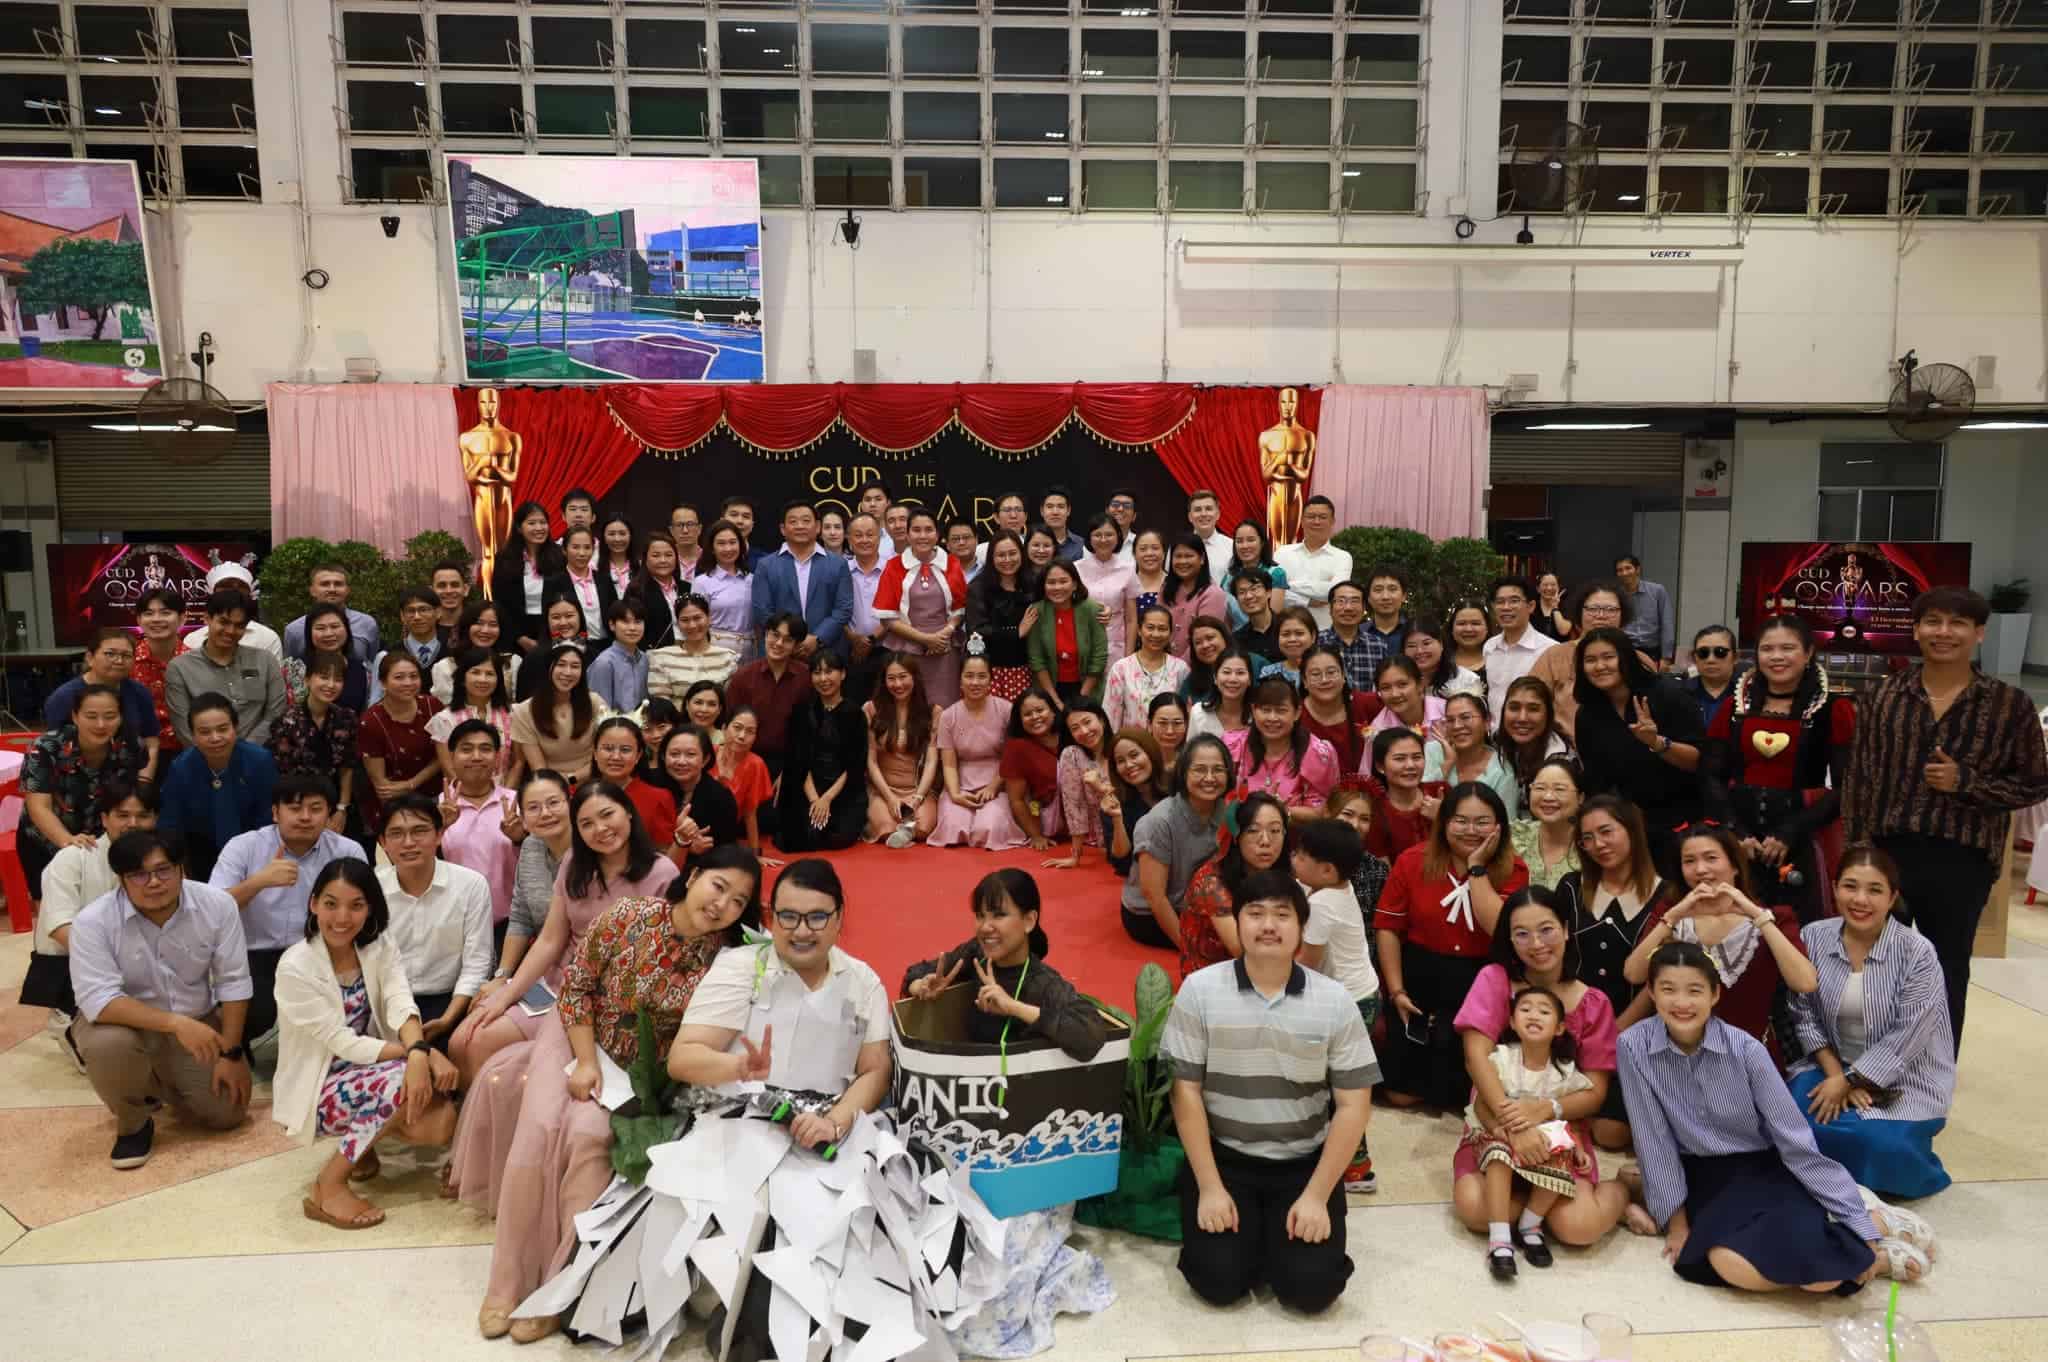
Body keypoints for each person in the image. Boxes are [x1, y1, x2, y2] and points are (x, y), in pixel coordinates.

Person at [480, 842, 759, 1343]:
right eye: (719, 886)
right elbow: (576, 988)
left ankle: (558, 1290)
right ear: (694, 875)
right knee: (540, 1127)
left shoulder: (726, 961)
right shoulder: (628, 916)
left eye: (738, 901)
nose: (722, 904)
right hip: (576, 1035)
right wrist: (586, 1061)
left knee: (588, 1139)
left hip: (635, 1073)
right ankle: (506, 1285)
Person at [659, 858, 891, 1359]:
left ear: (839, 917)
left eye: (817, 917)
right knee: (764, 1208)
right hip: (744, 1117)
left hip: (829, 1124)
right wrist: (738, 1067)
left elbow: (875, 1070)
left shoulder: (862, 980)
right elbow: (683, 1058)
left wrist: (835, 1122)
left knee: (854, 1212)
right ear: (770, 916)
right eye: (788, 916)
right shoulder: (742, 968)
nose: (801, 931)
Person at [1619, 941, 1910, 1294]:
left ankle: (1873, 1226)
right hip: (1698, 1176)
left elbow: (1794, 1138)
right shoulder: (1633, 1046)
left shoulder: (1746, 1050)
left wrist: (1857, 1223)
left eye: (1694, 990)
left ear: (1714, 995)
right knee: (1721, 1264)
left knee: (1822, 1280)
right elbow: (1653, 1140)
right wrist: (1677, 1225)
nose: (1681, 1002)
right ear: (1651, 992)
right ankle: (1857, 1255)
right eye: (1668, 989)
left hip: (1760, 1169)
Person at [1844, 587, 2048, 1053]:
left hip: (1963, 856)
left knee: (1947, 968)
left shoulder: (2008, 704)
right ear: (1916, 630)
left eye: (1958, 623)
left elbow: (2036, 783)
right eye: (1933, 621)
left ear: (1979, 633)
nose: (1944, 632)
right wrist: (1857, 852)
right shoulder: (1882, 696)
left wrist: (1967, 782)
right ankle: (1873, 1064)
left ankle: (1935, 1070)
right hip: (1886, 854)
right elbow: (1858, 777)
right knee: (1876, 965)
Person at [1163, 868, 1375, 1314]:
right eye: (1255, 913)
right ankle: (1256, 1240)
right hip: (1226, 1160)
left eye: (1282, 914)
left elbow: (1353, 1105)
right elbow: (1185, 1094)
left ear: (1301, 927)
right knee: (1218, 1282)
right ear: (1237, 921)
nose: (1268, 925)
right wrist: (1210, 1187)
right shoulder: (1200, 991)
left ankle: (1271, 1241)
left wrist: (1317, 1196)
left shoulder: (1334, 1000)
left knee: (1311, 1291)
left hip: (1303, 1164)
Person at [275, 858, 460, 1228]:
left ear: (371, 908)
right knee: (402, 1084)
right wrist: (421, 1054)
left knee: (438, 1124)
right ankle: (328, 1186)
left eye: (356, 905)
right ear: (313, 904)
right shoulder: (295, 966)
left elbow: (399, 999)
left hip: (373, 1070)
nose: (342, 917)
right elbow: (343, 1042)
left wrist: (417, 1052)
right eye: (331, 904)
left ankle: (363, 1148)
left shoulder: (378, 945)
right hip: (320, 1085)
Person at [1452, 886, 1630, 1262]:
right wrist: (1514, 1123)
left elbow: (1594, 1093)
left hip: (1559, 1131)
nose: (1536, 944)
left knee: (1579, 1228)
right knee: (1478, 1211)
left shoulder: (1593, 1003)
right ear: (1509, 939)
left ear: (1565, 929)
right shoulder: (1495, 980)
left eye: (1546, 929)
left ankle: (1625, 1190)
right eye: (1522, 934)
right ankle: (1530, 1211)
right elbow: (1475, 1058)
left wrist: (1544, 1109)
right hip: (1495, 1121)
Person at [67, 829, 253, 1168]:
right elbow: (99, 999)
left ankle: (157, 1083)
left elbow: (234, 981)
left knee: (228, 1113)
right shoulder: (92, 922)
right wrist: (175, 1023)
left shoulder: (217, 905)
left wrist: (231, 1052)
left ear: (182, 869)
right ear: (121, 879)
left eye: (163, 870)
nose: (153, 882)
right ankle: (134, 1122)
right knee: (108, 1044)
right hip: (123, 1025)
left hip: (196, 1020)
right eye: (139, 874)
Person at [1786, 847, 1956, 1200]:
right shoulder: (1813, 936)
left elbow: (1906, 1039)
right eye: (1850, 886)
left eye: (1875, 890)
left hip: (1904, 1079)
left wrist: (1853, 1080)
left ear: (1892, 897)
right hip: (1828, 1068)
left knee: (1880, 1144)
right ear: (1834, 888)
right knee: (1790, 1122)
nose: (1860, 899)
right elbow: (1803, 1013)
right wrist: (1838, 1077)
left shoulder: (1917, 953)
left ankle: (1894, 1167)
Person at [1374, 782, 1528, 1110]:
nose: (1471, 830)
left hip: (1479, 979)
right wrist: (1397, 991)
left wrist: (1477, 868)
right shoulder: (1412, 861)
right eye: (1460, 821)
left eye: (1482, 822)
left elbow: (1499, 928)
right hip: (1420, 973)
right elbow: (1388, 928)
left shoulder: (1514, 868)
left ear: (1499, 826)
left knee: (1463, 1097)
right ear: (1444, 822)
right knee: (1401, 1095)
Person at [1703, 614, 1852, 924]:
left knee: (1796, 929)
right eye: (1767, 649)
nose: (1777, 657)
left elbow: (1847, 786)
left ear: (1808, 653)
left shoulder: (1833, 709)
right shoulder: (1735, 707)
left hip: (1802, 838)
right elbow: (1710, 775)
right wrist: (1735, 830)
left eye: (1788, 648)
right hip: (1739, 842)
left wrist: (1790, 832)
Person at [1624, 823, 1816, 1059]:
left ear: (1735, 865)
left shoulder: (1776, 916)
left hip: (1751, 1057)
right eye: (1689, 861)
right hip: (1678, 1058)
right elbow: (1634, 974)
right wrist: (1673, 917)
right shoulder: (1669, 915)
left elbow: (1805, 983)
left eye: (1711, 858)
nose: (1700, 869)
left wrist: (1759, 917)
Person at [208, 772, 365, 1042]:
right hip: (253, 953)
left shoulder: (347, 851)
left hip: (322, 951)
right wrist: (259, 881)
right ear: (275, 813)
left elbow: (364, 910)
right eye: (294, 808)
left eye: (315, 809)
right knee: (252, 1015)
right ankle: (234, 1054)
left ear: (329, 815)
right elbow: (212, 910)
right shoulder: (243, 846)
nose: (305, 817)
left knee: (343, 1014)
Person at [445, 770, 574, 1090]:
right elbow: (520, 916)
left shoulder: (589, 856)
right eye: (534, 807)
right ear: (522, 817)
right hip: (540, 974)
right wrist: (502, 976)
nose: (545, 813)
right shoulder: (530, 847)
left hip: (574, 980)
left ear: (571, 803)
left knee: (477, 1040)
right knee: (460, 1039)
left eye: (554, 803)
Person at [902, 868, 1108, 1059]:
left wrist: (1014, 1007)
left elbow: (1091, 1034)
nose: (985, 927)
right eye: (980, 916)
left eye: (999, 915)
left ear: (1029, 921)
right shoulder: (976, 955)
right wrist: (921, 987)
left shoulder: (1043, 983)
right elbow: (916, 972)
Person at [1462, 984, 1595, 1280]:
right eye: (1525, 1009)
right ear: (1512, 1022)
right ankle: (1499, 1238)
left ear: (1559, 1028)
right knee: (1499, 1157)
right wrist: (1499, 1130)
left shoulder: (1563, 1071)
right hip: (1499, 1132)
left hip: (1540, 1140)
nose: (1534, 1015)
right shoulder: (1501, 1058)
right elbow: (1482, 1103)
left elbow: (1567, 1117)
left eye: (1544, 1011)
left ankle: (1530, 1225)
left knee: (1563, 1155)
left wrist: (1578, 1145)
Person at [21, 781, 157, 1030]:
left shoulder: (161, 863)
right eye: (123, 816)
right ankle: (67, 1019)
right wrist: (123, 964)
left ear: (155, 819)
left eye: (143, 816)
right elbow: (60, 928)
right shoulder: (74, 858)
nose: (133, 824)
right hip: (76, 968)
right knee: (111, 1041)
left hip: (144, 966)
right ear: (104, 819)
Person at [1572, 625, 1703, 872]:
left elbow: (1698, 761)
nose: (1600, 666)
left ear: (1626, 657)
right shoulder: (1587, 714)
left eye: (1608, 657)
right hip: (1626, 829)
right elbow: (1596, 782)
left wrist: (1656, 742)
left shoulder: (1667, 693)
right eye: (1590, 660)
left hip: (1682, 823)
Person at [373, 794, 493, 1045]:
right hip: (387, 1003)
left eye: (419, 831)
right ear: (383, 842)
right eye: (396, 834)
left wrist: (448, 1019)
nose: (409, 843)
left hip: (451, 1000)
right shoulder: (370, 889)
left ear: (439, 835)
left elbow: (477, 963)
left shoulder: (471, 885)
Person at [18, 682, 147, 899]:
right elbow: (38, 807)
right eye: (91, 716)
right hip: (46, 839)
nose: (100, 724)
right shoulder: (45, 748)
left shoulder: (132, 746)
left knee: (110, 902)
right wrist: (68, 841)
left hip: (104, 839)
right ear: (75, 716)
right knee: (54, 907)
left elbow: (131, 794)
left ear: (121, 717)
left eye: (110, 716)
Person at [1123, 734, 1233, 948]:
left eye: (1218, 770)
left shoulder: (1224, 809)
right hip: (1151, 914)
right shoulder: (1158, 822)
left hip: (1200, 900)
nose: (1210, 778)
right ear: (1183, 773)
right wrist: (1187, 947)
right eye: (1199, 770)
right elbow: (1155, 898)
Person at [156, 695, 278, 880]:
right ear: (193, 735)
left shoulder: (259, 761)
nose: (215, 738)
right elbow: (170, 824)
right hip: (199, 856)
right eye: (204, 732)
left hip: (254, 853)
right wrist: (176, 865)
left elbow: (268, 819)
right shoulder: (181, 768)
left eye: (223, 729)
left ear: (235, 727)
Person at [1525, 580, 1655, 739]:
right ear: (1579, 613)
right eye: (1592, 609)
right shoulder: (1554, 656)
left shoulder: (1640, 660)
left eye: (1610, 609)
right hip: (1566, 749)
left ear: (1623, 615)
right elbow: (1529, 700)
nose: (1601, 616)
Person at [166, 588, 287, 746]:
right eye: (224, 622)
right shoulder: (180, 668)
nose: (230, 631)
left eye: (239, 625)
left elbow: (275, 713)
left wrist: (248, 751)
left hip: (259, 753)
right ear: (207, 619)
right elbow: (184, 728)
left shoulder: (265, 661)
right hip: (205, 755)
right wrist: (217, 753)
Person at [776, 649, 869, 851]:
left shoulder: (856, 714)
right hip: (808, 785)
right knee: (799, 836)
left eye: (829, 671)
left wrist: (826, 799)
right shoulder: (802, 711)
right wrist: (815, 799)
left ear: (843, 674)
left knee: (837, 837)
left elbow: (855, 765)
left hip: (843, 789)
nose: (823, 679)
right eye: (817, 673)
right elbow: (798, 761)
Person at [876, 508, 969, 708]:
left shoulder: (952, 563)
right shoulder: (893, 566)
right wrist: (926, 639)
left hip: (945, 650)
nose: (923, 536)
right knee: (911, 708)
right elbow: (888, 618)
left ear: (937, 534)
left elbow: (960, 610)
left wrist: (946, 632)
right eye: (916, 530)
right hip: (907, 654)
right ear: (908, 534)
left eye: (928, 530)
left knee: (945, 707)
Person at [435, 720, 521, 932]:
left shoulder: (517, 803)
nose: (476, 756)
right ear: (451, 756)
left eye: (485, 749)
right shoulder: (435, 808)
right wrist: (439, 830)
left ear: (497, 758)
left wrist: (521, 839)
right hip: (453, 923)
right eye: (466, 749)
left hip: (510, 924)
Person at [43, 628, 162, 782]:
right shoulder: (64, 697)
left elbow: (150, 739)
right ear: (90, 658)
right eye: (110, 654)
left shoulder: (139, 692)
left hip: (129, 776)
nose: (119, 661)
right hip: (75, 778)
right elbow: (53, 748)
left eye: (126, 655)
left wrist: (144, 780)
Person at [931, 655, 1021, 848]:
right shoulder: (948, 716)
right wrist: (955, 793)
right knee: (954, 829)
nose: (975, 682)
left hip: (998, 782)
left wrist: (993, 787)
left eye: (981, 676)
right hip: (960, 783)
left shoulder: (1006, 710)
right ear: (960, 680)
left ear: (990, 680)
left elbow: (1011, 757)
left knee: (989, 828)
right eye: (969, 676)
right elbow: (949, 764)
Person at [753, 497, 855, 661]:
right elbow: (762, 611)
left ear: (818, 527)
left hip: (827, 652)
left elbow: (843, 609)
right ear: (783, 529)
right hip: (780, 653)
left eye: (806, 521)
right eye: (793, 521)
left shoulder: (838, 564)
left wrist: (817, 638)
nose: (800, 526)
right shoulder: (766, 565)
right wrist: (788, 640)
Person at [1225, 678, 1340, 818]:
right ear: (1253, 710)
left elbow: (1322, 812)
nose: (1272, 718)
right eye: (1265, 710)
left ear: (1297, 713)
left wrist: (1283, 810)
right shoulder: (1233, 745)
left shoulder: (1316, 753)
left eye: (1281, 711)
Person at [358, 652, 444, 839]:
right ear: (383, 683)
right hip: (393, 804)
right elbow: (382, 787)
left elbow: (444, 757)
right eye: (399, 677)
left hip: (436, 796)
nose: (408, 683)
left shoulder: (433, 706)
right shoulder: (371, 721)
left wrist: (411, 784)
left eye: (413, 676)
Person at [270, 653, 362, 825]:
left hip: (337, 803)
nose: (331, 685)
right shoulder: (287, 720)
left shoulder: (347, 718)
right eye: (324, 677)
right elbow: (283, 773)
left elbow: (347, 767)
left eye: (338, 679)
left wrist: (342, 808)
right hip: (297, 803)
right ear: (307, 679)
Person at [726, 613, 813, 789]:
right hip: (747, 758)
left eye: (788, 640)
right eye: (775, 635)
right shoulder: (743, 677)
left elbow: (806, 731)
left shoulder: (806, 678)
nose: (779, 643)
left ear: (796, 645)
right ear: (765, 634)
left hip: (790, 762)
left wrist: (789, 770)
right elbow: (729, 724)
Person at [864, 654, 942, 847]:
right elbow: (871, 761)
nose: (898, 684)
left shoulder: (933, 712)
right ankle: (900, 830)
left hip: (917, 790)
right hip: (884, 790)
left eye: (903, 677)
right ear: (884, 681)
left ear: (914, 677)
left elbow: (931, 761)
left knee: (924, 828)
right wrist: (890, 798)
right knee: (886, 829)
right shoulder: (871, 709)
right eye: (891, 678)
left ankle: (907, 831)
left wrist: (918, 797)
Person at [511, 640, 605, 784]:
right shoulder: (523, 711)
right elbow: (538, 768)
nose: (567, 672)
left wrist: (571, 779)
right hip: (549, 785)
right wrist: (560, 785)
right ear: (549, 668)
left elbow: (604, 755)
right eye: (561, 664)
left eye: (575, 666)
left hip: (593, 780)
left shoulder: (595, 703)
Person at [1422, 690, 1519, 820]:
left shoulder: (1502, 772)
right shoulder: (1432, 751)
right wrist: (1447, 764)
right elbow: (1417, 798)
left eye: (1465, 717)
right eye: (1450, 720)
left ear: (1487, 722)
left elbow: (1506, 824)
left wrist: (1443, 816)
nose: (1457, 726)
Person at [427, 647, 517, 787]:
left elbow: (517, 763)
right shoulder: (444, 719)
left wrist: (505, 795)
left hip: (505, 794)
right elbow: (449, 770)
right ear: (462, 678)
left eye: (490, 674)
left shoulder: (512, 714)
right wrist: (474, 796)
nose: (483, 679)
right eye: (475, 672)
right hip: (461, 795)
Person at [656, 724, 743, 865]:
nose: (681, 761)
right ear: (663, 756)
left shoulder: (721, 798)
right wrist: (684, 845)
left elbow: (726, 850)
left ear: (705, 759)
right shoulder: (652, 785)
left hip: (703, 868)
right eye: (674, 754)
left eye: (690, 754)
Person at [1027, 558, 1107, 709]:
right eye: (1051, 582)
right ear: (1043, 585)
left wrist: (1081, 698)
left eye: (1063, 581)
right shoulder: (1037, 611)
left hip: (1087, 687)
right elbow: (1036, 660)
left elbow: (1099, 657)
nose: (1057, 587)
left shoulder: (1092, 609)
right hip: (1049, 689)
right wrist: (1055, 701)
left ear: (1074, 584)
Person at [991, 688, 1065, 852]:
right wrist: (1036, 835)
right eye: (1027, 714)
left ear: (1053, 711)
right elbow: (1016, 799)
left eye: (1040, 710)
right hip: (1048, 821)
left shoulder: (1070, 735)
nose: (1035, 717)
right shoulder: (1017, 748)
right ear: (1020, 720)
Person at [490, 502, 566, 654]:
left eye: (543, 522)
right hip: (516, 635)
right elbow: (500, 603)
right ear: (519, 528)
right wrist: (519, 638)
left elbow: (566, 596)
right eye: (532, 523)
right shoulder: (505, 559)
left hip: (554, 630)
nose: (539, 528)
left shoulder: (559, 556)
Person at [1045, 698, 1113, 869]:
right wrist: (1075, 857)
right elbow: (1074, 806)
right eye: (1075, 728)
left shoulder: (1122, 747)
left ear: (1102, 720)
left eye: (1087, 722)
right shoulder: (1073, 755)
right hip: (1107, 838)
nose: (1084, 731)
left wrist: (1100, 787)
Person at [1103, 603, 1189, 732]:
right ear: (1139, 630)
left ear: (1170, 633)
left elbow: (1186, 714)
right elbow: (1111, 715)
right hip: (1132, 742)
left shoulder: (1180, 668)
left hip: (1169, 740)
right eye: (1150, 627)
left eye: (1162, 629)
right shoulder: (1121, 668)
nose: (1156, 634)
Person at [178, 561, 284, 663]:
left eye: (241, 587)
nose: (233, 592)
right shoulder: (192, 640)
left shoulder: (267, 638)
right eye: (226, 586)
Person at [590, 715, 675, 841]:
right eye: (608, 748)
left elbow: (666, 851)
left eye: (625, 750)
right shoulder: (579, 795)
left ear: (638, 756)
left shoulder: (658, 798)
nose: (616, 757)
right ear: (595, 753)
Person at [647, 591, 742, 704]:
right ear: (677, 623)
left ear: (709, 618)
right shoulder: (661, 658)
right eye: (685, 620)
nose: (692, 625)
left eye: (697, 618)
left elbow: (729, 703)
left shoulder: (728, 658)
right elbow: (660, 706)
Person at [1275, 495, 1353, 631]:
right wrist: (1307, 601)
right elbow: (1272, 592)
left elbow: (1335, 593)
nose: (1316, 521)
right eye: (1311, 517)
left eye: (1322, 517)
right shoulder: (1282, 553)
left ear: (1332, 521)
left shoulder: (1343, 557)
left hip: (1326, 632)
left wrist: (1288, 586)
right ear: (1302, 521)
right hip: (1287, 632)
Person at [1495, 676, 1573, 813]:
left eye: (1533, 709)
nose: (1522, 718)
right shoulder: (1497, 742)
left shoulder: (1561, 760)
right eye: (1514, 708)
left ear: (1548, 715)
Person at [1360, 654, 1446, 777]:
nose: (1395, 694)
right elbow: (1366, 777)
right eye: (1385, 688)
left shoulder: (1446, 712)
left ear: (1420, 684)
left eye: (1402, 684)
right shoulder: (1377, 730)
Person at [282, 562, 381, 667]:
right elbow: (291, 668)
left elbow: (372, 664)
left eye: (338, 584)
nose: (332, 589)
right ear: (312, 590)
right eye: (325, 584)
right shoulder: (294, 630)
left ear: (347, 590)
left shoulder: (366, 623)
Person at [131, 586, 190, 761]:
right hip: (137, 751)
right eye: (148, 613)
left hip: (189, 749)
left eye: (165, 613)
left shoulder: (196, 662)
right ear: (139, 620)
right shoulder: (126, 661)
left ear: (182, 618)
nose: (156, 619)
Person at [1362, 726, 1437, 863]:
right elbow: (1384, 871)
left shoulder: (1440, 791)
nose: (1410, 765)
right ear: (1380, 767)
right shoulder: (1375, 812)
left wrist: (1443, 817)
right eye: (1400, 759)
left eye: (1417, 757)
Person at [1482, 575, 1549, 723]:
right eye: (1500, 602)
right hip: (1495, 733)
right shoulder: (1489, 647)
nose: (1506, 607)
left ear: (1531, 606)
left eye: (1514, 601)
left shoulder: (1549, 649)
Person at [1511, 757, 1584, 892]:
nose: (1548, 797)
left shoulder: (1590, 845)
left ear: (1580, 798)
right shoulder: (1515, 836)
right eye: (1540, 788)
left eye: (1560, 789)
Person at [431, 601, 522, 707]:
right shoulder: (445, 667)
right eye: (479, 623)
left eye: (493, 625)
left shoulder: (513, 662)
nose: (485, 630)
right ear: (467, 626)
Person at [1324, 781, 1393, 922]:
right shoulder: (1306, 859)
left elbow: (1382, 925)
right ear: (1328, 813)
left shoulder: (1376, 870)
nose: (1355, 825)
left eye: (1364, 819)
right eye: (1347, 814)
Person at [691, 518, 759, 660]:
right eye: (721, 543)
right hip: (716, 650)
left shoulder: (752, 579)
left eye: (733, 542)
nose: (728, 548)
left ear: (740, 545)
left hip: (750, 650)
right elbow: (696, 623)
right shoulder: (702, 582)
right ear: (712, 548)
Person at [288, 601, 372, 714]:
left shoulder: (361, 670)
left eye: (335, 626)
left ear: (346, 629)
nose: (329, 633)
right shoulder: (295, 668)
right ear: (309, 633)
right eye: (320, 628)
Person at [844, 512, 893, 704]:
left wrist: (870, 640)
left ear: (879, 537)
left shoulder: (893, 569)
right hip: (850, 652)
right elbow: (834, 609)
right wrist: (853, 638)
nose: (864, 540)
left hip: (887, 650)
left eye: (870, 534)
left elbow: (897, 610)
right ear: (849, 539)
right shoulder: (841, 570)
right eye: (858, 535)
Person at [716, 707, 778, 857]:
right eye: (737, 728)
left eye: (750, 731)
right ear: (724, 728)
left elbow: (750, 813)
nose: (742, 736)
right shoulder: (706, 754)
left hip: (725, 836)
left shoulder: (755, 764)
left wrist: (755, 854)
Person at [1076, 513, 1139, 659]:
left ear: (1118, 537)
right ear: (1089, 538)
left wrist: (1129, 658)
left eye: (1109, 535)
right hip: (1083, 644)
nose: (1103, 540)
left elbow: (1131, 619)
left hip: (1117, 647)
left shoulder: (1128, 569)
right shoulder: (1076, 569)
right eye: (1097, 535)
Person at [370, 588, 446, 700]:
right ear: (402, 616)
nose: (417, 617)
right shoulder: (386, 656)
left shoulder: (452, 655)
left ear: (438, 612)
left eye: (423, 610)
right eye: (410, 611)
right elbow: (376, 700)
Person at [1163, 534, 1230, 661]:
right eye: (1178, 556)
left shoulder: (1213, 594)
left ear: (1202, 558)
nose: (1183, 561)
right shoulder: (1166, 589)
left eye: (1189, 556)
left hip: (1196, 667)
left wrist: (1176, 669)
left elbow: (1205, 641)